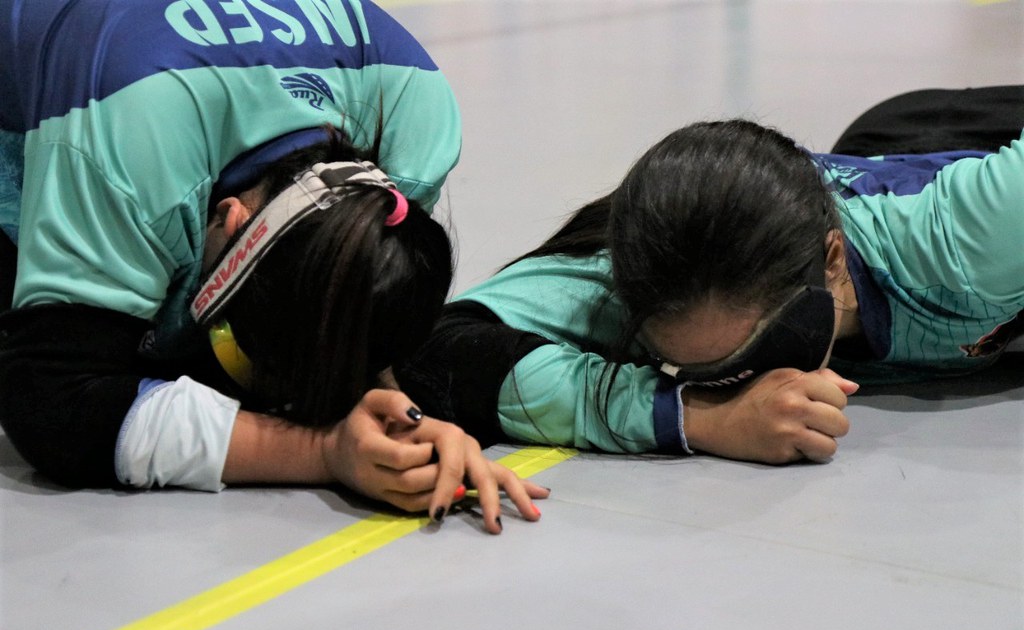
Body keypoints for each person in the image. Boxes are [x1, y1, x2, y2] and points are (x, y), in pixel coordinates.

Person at [0, 0, 546, 533]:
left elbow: (346, 294)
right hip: (103, 89)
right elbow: (56, 403)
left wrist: (399, 414)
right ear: (230, 219)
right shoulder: (130, 155)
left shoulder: (418, 115)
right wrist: (322, 450)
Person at [394, 86, 1024, 465]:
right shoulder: (628, 282)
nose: (768, 382)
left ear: (833, 261)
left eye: (778, 346)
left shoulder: (968, 243)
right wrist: (695, 416)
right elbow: (438, 354)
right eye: (713, 375)